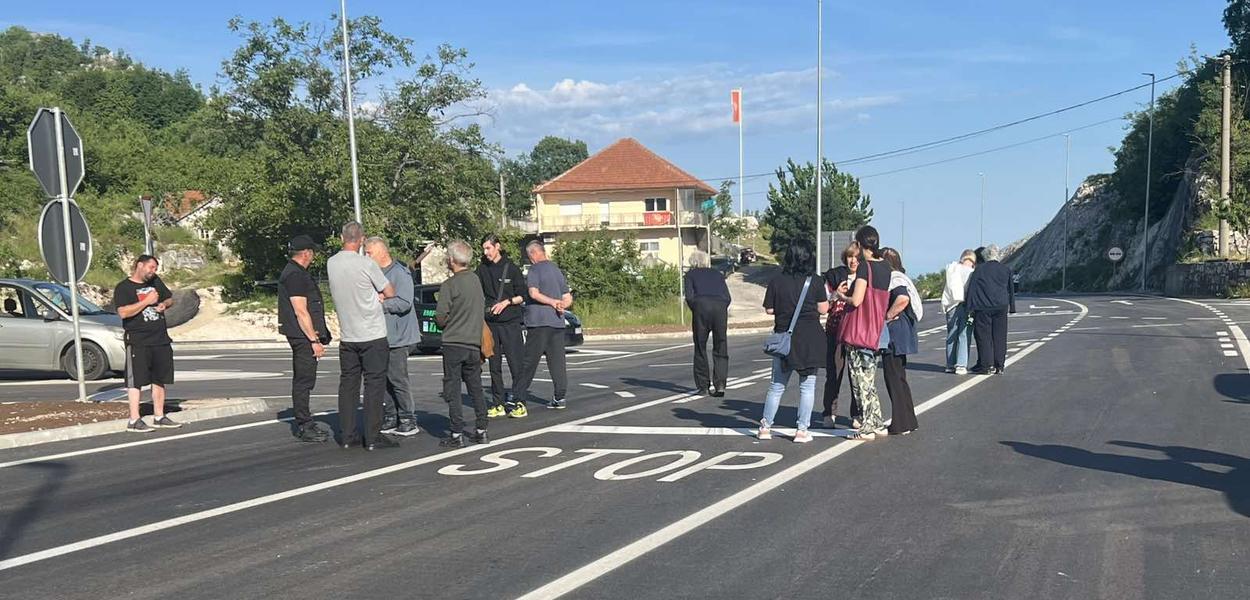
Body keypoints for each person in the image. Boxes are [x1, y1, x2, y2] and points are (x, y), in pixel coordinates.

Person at [327, 222, 399, 451]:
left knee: (348, 384)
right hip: (372, 332)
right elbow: (389, 292)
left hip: (348, 334)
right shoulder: (366, 263)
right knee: (374, 384)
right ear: (361, 239)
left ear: (341, 237)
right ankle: (373, 436)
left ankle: (347, 435)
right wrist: (377, 293)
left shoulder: (332, 263)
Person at [758, 239, 829, 444]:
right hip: (809, 338)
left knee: (777, 386)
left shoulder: (776, 280)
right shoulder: (814, 281)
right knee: (807, 386)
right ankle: (801, 430)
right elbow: (823, 309)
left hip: (784, 339)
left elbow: (769, 309)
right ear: (809, 256)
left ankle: (765, 427)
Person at [835, 226, 892, 441]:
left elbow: (857, 300)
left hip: (859, 329)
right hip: (875, 327)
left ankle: (867, 426)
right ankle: (877, 421)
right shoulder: (885, 267)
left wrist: (841, 296)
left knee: (860, 380)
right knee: (870, 378)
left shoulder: (864, 268)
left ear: (859, 244)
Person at [114, 255, 181, 433]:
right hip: (138, 340)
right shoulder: (123, 288)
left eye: (155, 268)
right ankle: (134, 419)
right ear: (140, 265)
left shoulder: (155, 282)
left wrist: (163, 304)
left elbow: (169, 298)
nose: (153, 271)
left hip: (160, 338)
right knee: (135, 380)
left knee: (159, 378)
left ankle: (159, 416)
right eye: (151, 267)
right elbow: (123, 313)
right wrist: (146, 301)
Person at [278, 235, 332, 442]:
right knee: (304, 380)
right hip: (302, 337)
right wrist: (313, 341)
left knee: (305, 379)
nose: (313, 255)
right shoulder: (295, 275)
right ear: (306, 253)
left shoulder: (295, 272)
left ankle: (305, 421)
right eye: (312, 251)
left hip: (301, 335)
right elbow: (301, 310)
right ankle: (304, 424)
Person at [364, 237, 421, 436]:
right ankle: (390, 416)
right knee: (384, 378)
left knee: (398, 378)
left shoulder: (399, 273)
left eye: (369, 252)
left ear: (381, 252)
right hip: (381, 336)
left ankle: (408, 418)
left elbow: (405, 302)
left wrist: (382, 304)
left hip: (400, 337)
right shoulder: (374, 274)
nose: (366, 256)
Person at [435, 240, 490, 448]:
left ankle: (456, 433)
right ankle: (481, 428)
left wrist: (446, 321)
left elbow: (441, 317)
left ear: (451, 260)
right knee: (475, 386)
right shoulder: (476, 281)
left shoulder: (450, 285)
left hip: (453, 342)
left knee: (453, 388)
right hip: (473, 343)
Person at [512, 240, 573, 410]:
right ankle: (559, 396)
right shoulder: (556, 270)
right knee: (557, 362)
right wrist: (561, 304)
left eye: (529, 256)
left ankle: (517, 396)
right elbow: (567, 296)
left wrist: (553, 302)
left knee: (529, 361)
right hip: (557, 322)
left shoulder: (534, 269)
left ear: (533, 254)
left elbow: (533, 292)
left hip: (539, 321)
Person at [477, 234, 530, 419]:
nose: (486, 252)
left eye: (488, 248)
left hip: (511, 323)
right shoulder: (482, 269)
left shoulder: (511, 268)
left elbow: (523, 295)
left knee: (516, 364)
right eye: (484, 249)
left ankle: (520, 402)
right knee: (494, 365)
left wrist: (507, 302)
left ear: (497, 247)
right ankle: (498, 403)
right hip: (491, 323)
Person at [820, 242, 861, 428]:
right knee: (834, 373)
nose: (854, 261)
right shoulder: (834, 276)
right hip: (835, 330)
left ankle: (857, 414)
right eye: (851, 256)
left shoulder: (865, 278)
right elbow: (823, 305)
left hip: (857, 332)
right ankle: (829, 413)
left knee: (856, 375)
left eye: (858, 257)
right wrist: (836, 295)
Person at [880, 247, 920, 436]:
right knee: (900, 378)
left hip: (895, 333)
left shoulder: (894, 279)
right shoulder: (902, 276)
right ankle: (909, 420)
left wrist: (887, 316)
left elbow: (902, 299)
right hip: (904, 331)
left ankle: (900, 423)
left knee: (893, 377)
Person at [684, 251, 731, 397]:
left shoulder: (690, 275)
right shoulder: (717, 274)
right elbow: (727, 297)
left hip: (701, 307)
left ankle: (703, 386)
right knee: (721, 345)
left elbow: (689, 297)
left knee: (700, 347)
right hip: (720, 308)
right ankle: (720, 384)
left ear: (693, 263)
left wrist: (697, 308)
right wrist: (722, 307)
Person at [966, 244, 1016, 375]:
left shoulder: (979, 269)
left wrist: (969, 307)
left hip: (983, 307)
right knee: (1000, 336)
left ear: (985, 256)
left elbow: (972, 288)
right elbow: (1010, 289)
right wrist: (1012, 307)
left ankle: (986, 365)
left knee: (984, 336)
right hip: (1001, 306)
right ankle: (1000, 365)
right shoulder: (1005, 269)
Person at [941, 249, 977, 375]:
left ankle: (950, 364)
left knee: (951, 335)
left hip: (951, 305)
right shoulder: (972, 272)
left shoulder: (952, 269)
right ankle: (961, 365)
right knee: (964, 334)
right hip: (967, 306)